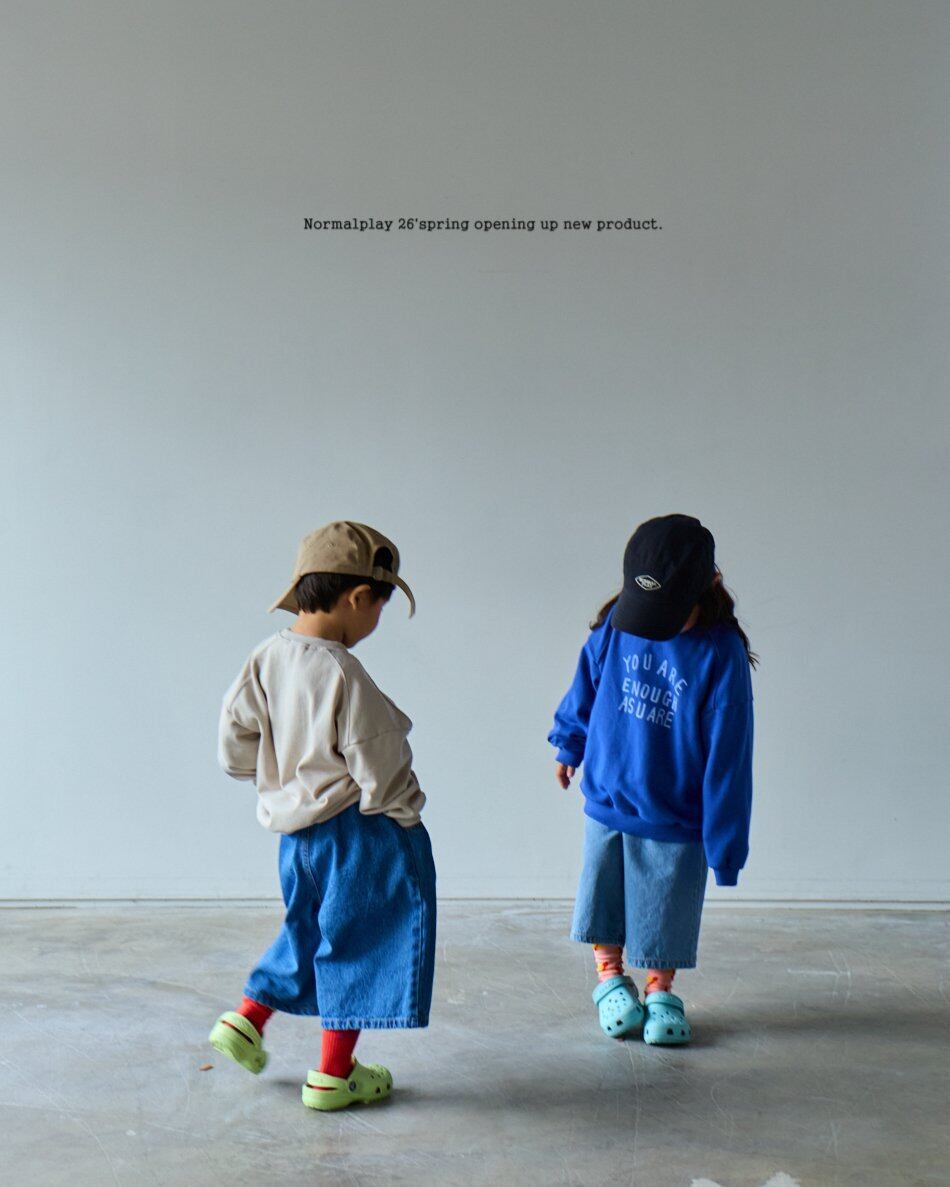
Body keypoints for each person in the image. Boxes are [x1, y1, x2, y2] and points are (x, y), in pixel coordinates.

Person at [209, 521, 436, 1110]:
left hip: (297, 838)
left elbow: (234, 742)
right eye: (380, 606)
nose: (376, 619)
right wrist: (404, 813)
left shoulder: (266, 657)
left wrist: (276, 776)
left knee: (306, 928)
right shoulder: (342, 671)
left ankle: (247, 1019)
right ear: (359, 597)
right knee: (362, 939)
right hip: (359, 832)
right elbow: (377, 759)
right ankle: (335, 1075)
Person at [548, 514, 756, 1044]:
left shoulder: (720, 652)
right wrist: (569, 742)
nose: (654, 625)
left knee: (665, 911)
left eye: (669, 613)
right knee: (604, 898)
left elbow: (730, 756)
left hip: (675, 815)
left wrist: (725, 846)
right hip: (608, 798)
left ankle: (660, 990)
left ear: (709, 586)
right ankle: (610, 980)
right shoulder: (618, 623)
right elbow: (586, 683)